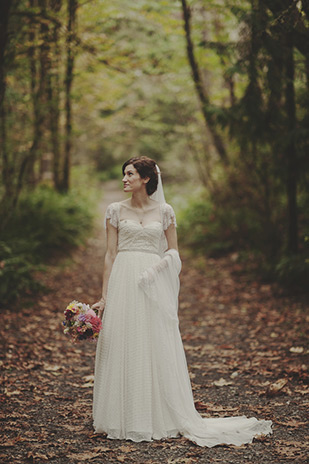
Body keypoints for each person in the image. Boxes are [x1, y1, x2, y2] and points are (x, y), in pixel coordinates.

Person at [92, 156, 272, 447]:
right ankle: (120, 416)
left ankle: (156, 415)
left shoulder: (165, 211)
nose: (124, 179)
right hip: (123, 281)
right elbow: (110, 255)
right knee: (123, 342)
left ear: (146, 178)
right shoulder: (115, 210)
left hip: (152, 284)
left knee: (153, 343)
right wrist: (104, 296)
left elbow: (174, 253)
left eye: (129, 174)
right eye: (124, 174)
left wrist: (155, 270)